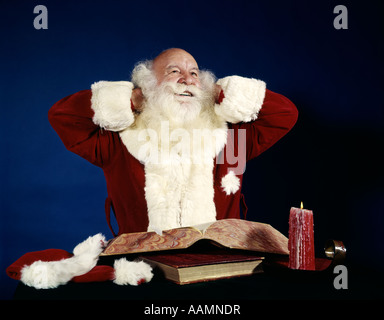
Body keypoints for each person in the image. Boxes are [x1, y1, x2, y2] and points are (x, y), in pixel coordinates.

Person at [48, 48, 298, 237]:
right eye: (174, 71)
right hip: (142, 267)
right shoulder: (117, 140)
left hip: (220, 263)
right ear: (148, 84)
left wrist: (227, 95)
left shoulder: (233, 138)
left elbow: (286, 113)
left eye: (194, 74)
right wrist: (127, 100)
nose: (187, 80)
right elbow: (62, 116)